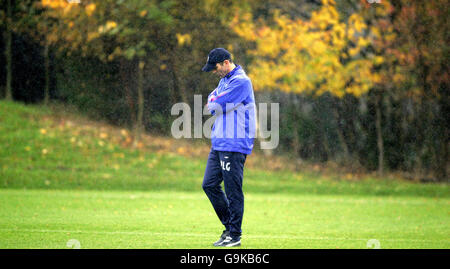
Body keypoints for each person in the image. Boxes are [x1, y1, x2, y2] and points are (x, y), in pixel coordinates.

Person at [201, 48, 256, 247]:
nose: (213, 72)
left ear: (225, 62)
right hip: (220, 142)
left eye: (215, 67)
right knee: (209, 184)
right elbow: (211, 101)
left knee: (233, 190)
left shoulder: (241, 81)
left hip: (234, 142)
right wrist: (214, 100)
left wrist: (215, 100)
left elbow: (215, 105)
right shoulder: (224, 80)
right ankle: (230, 228)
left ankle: (235, 235)